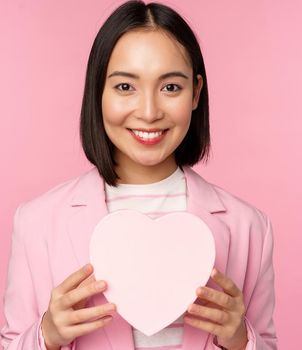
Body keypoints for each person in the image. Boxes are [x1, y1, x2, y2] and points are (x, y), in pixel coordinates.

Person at [0, 1, 278, 349]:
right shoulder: (37, 222)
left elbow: (266, 342)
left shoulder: (249, 227)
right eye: (125, 87)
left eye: (171, 87)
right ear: (97, 92)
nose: (148, 112)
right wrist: (48, 334)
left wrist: (240, 339)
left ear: (196, 92)